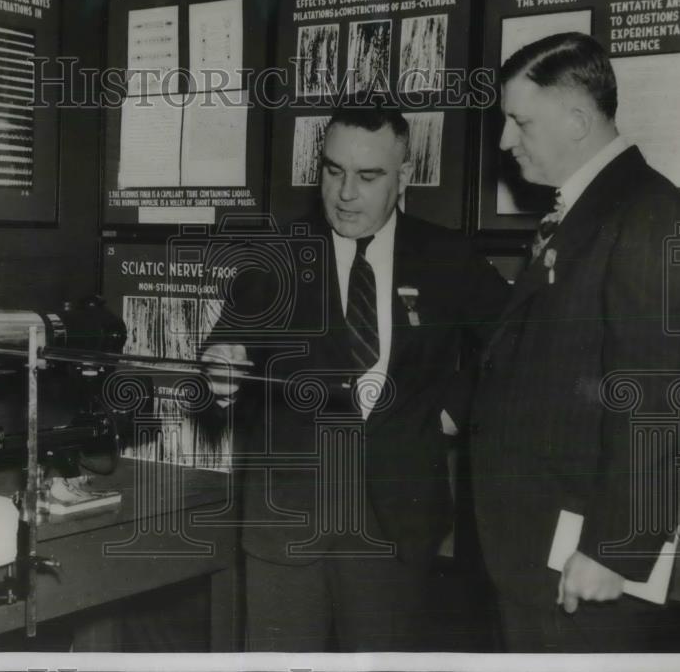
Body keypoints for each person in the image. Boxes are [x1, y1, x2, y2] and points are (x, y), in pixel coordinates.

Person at [201, 104, 509, 651]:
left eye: (368, 177)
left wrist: (452, 407)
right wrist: (223, 360)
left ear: (404, 177)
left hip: (395, 520)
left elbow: (518, 341)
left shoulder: (446, 257)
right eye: (333, 170)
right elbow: (231, 337)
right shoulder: (279, 256)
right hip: (289, 518)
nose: (346, 193)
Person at [469, 32, 680, 651]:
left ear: (576, 120)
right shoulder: (587, 208)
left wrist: (615, 548)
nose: (505, 141)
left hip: (582, 561)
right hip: (537, 546)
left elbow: (656, 394)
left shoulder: (647, 212)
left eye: (519, 122)